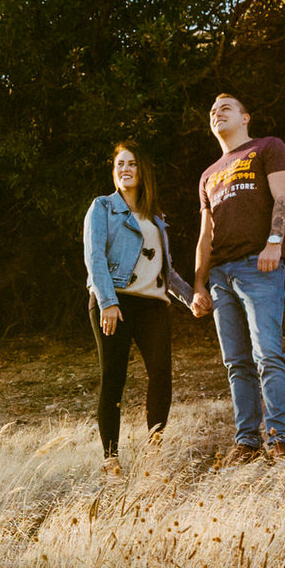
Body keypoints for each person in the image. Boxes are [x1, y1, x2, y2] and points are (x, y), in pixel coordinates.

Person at [187, 93, 285, 462]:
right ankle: (247, 442)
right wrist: (199, 283)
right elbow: (206, 234)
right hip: (220, 275)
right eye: (213, 110)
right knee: (236, 362)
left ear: (245, 117)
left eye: (226, 108)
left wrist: (274, 243)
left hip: (258, 265)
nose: (217, 113)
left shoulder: (268, 147)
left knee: (267, 353)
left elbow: (284, 199)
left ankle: (280, 439)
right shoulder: (208, 175)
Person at [83, 142, 196, 477]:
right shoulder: (103, 207)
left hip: (153, 306)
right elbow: (95, 258)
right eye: (119, 164)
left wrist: (192, 299)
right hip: (115, 301)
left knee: (161, 374)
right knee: (113, 377)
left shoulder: (157, 218)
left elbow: (167, 271)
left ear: (142, 170)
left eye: (131, 163)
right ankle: (110, 458)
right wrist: (108, 302)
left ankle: (154, 447)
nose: (125, 169)